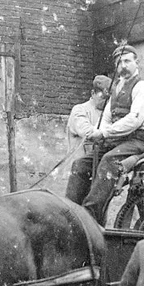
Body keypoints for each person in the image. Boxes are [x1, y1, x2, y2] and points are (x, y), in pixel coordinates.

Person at [79, 45, 144, 224]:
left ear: (136, 62)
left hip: (141, 140)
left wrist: (104, 133)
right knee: (81, 164)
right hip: (119, 141)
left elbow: (134, 120)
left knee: (109, 160)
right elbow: (107, 118)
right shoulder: (116, 89)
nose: (123, 66)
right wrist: (98, 131)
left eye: (127, 61)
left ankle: (89, 215)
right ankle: (71, 211)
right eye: (119, 62)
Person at [64, 75, 113, 204]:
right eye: (103, 97)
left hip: (97, 171)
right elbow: (87, 132)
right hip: (80, 172)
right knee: (75, 209)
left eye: (108, 100)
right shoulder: (80, 110)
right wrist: (107, 132)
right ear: (93, 93)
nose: (105, 102)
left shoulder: (108, 114)